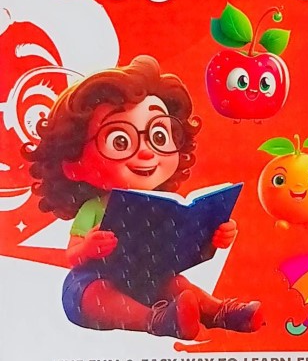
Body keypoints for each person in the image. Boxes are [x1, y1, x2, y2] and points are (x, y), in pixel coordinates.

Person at [24, 55, 263, 339]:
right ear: (73, 165)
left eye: (159, 136)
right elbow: (72, 254)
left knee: (177, 283)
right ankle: (157, 320)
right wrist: (87, 247)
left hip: (149, 277)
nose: (147, 152)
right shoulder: (94, 207)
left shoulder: (161, 206)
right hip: (97, 277)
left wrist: (214, 235)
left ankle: (219, 311)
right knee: (93, 296)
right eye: (120, 140)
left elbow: (182, 246)